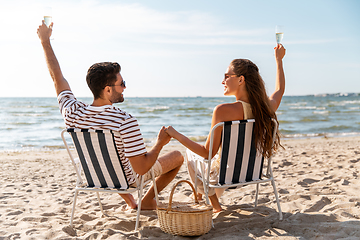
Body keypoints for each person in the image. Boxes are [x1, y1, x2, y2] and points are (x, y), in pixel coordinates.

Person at [37, 21, 184, 210]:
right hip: (127, 181)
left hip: (95, 177)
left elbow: (57, 76)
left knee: (110, 156)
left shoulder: (72, 112)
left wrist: (45, 41)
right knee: (177, 156)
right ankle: (146, 201)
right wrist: (160, 143)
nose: (124, 88)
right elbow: (142, 168)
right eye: (122, 84)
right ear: (107, 89)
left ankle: (131, 202)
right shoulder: (124, 121)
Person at [165, 44, 286, 212]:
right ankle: (200, 197)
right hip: (251, 174)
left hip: (223, 177)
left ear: (241, 80)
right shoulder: (265, 108)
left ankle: (216, 206)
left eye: (226, 76)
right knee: (213, 164)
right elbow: (279, 90)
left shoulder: (223, 111)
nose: (223, 81)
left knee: (191, 155)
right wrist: (279, 60)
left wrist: (176, 135)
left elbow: (207, 152)